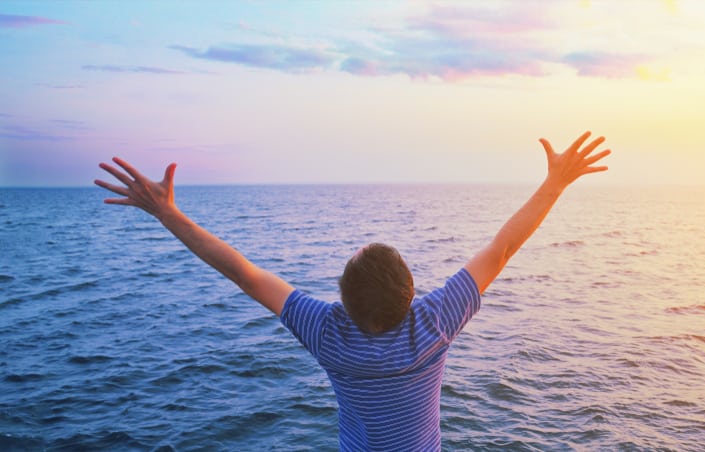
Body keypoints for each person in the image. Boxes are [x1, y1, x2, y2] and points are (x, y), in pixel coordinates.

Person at [94, 131, 611, 450]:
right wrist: (556, 183)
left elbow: (244, 273)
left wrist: (167, 213)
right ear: (412, 294)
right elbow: (502, 248)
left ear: (341, 302)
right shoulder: (433, 324)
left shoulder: (325, 332)